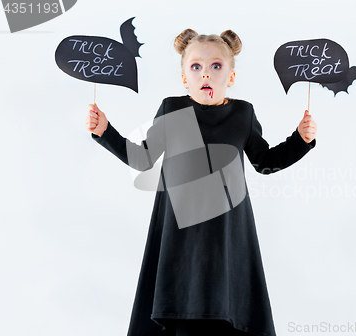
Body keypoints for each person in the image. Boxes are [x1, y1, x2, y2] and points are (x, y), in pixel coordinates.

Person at [85, 29, 317, 336]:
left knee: (224, 303)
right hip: (179, 232)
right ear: (184, 78)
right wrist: (106, 131)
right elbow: (143, 158)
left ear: (231, 77)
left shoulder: (242, 114)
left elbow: (265, 162)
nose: (205, 73)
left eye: (216, 66)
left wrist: (300, 140)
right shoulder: (172, 109)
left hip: (227, 232)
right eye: (196, 66)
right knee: (183, 303)